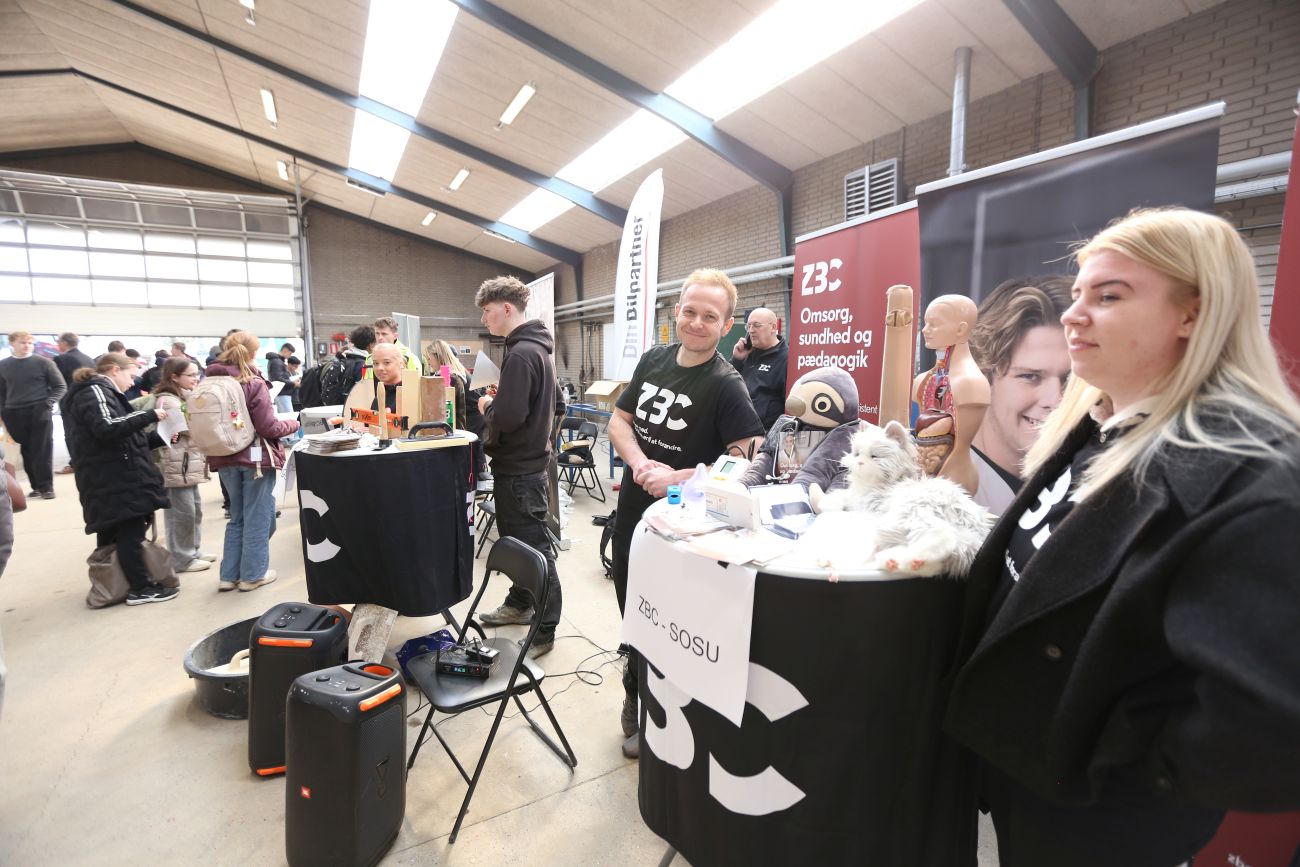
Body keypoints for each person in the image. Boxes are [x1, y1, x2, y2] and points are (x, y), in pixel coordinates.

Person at [944, 208, 1300, 867]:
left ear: (1193, 313)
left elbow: (1270, 728)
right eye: (1078, 294)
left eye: (1108, 297)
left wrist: (1110, 763)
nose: (1074, 316)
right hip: (1026, 783)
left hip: (1097, 824)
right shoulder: (1098, 422)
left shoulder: (1250, 476)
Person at [608, 269, 765, 759]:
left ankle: (665, 713)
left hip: (686, 530)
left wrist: (677, 478)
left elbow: (747, 457)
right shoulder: (653, 360)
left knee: (671, 621)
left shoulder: (725, 384)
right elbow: (619, 421)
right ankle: (635, 691)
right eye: (690, 312)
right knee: (632, 608)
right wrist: (640, 464)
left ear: (727, 325)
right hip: (634, 515)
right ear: (676, 311)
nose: (697, 323)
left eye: (710, 317)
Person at [472, 277, 564, 659]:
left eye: (487, 311)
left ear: (507, 308)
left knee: (536, 553)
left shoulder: (522, 353)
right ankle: (520, 602)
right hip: (525, 467)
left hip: (521, 473)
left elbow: (508, 418)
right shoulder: (536, 350)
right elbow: (557, 404)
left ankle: (544, 629)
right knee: (521, 547)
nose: (484, 318)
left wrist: (488, 407)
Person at [66, 353, 176, 605]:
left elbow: (126, 438)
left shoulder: (102, 392)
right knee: (130, 533)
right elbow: (107, 427)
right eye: (131, 375)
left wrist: (161, 438)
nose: (133, 381)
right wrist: (149, 415)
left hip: (112, 477)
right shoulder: (95, 391)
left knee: (115, 535)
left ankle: (116, 584)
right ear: (115, 370)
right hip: (114, 478)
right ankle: (140, 588)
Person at [966, 277, 1073, 514]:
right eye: (1030, 376)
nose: (1056, 400)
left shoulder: (1083, 484)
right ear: (983, 374)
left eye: (1070, 379)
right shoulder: (931, 488)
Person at [204, 331, 300, 592]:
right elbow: (268, 427)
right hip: (254, 457)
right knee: (258, 516)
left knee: (237, 517)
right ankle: (252, 575)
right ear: (253, 353)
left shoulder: (210, 379)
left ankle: (229, 576)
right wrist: (294, 424)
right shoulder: (251, 382)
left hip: (223, 456)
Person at [133, 357, 214, 575]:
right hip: (176, 465)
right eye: (190, 375)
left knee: (193, 511)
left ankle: (192, 551)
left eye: (197, 374)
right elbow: (189, 428)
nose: (196, 378)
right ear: (174, 377)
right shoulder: (169, 401)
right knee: (181, 513)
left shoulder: (183, 396)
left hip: (186, 464)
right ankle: (181, 558)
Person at [911, 294, 990, 495]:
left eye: (934, 324)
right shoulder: (924, 381)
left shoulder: (970, 382)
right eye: (926, 323)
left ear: (961, 330)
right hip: (923, 476)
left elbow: (959, 448)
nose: (925, 330)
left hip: (954, 480)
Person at [0, 331, 66, 499]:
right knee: (26, 450)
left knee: (42, 450)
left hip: (39, 411)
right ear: (12, 343)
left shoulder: (44, 363)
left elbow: (60, 386)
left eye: (30, 343)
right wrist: (4, 410)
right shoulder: (3, 365)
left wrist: (48, 403)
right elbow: (1, 391)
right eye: (22, 342)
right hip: (13, 413)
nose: (27, 346)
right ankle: (36, 486)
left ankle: (46, 487)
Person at [730, 306, 789, 429]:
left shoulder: (786, 358)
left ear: (773, 327)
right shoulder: (746, 353)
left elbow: (790, 407)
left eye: (757, 325)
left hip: (763, 433)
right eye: (748, 326)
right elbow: (727, 384)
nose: (751, 330)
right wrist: (737, 360)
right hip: (735, 427)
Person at [54, 332, 93, 474]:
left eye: (59, 342)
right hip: (90, 400)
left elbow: (57, 382)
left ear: (65, 343)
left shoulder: (61, 359)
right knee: (87, 432)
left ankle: (75, 464)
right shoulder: (88, 359)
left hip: (70, 402)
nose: (58, 345)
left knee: (71, 433)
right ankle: (87, 461)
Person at [424, 339, 469, 430]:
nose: (428, 362)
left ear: (438, 356)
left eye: (429, 358)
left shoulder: (450, 378)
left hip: (452, 430)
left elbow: (443, 407)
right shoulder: (449, 375)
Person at [265, 342, 294, 413]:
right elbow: (278, 379)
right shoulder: (277, 362)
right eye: (290, 353)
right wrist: (292, 383)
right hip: (282, 393)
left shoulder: (276, 361)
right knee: (288, 416)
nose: (290, 356)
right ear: (285, 350)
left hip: (281, 393)